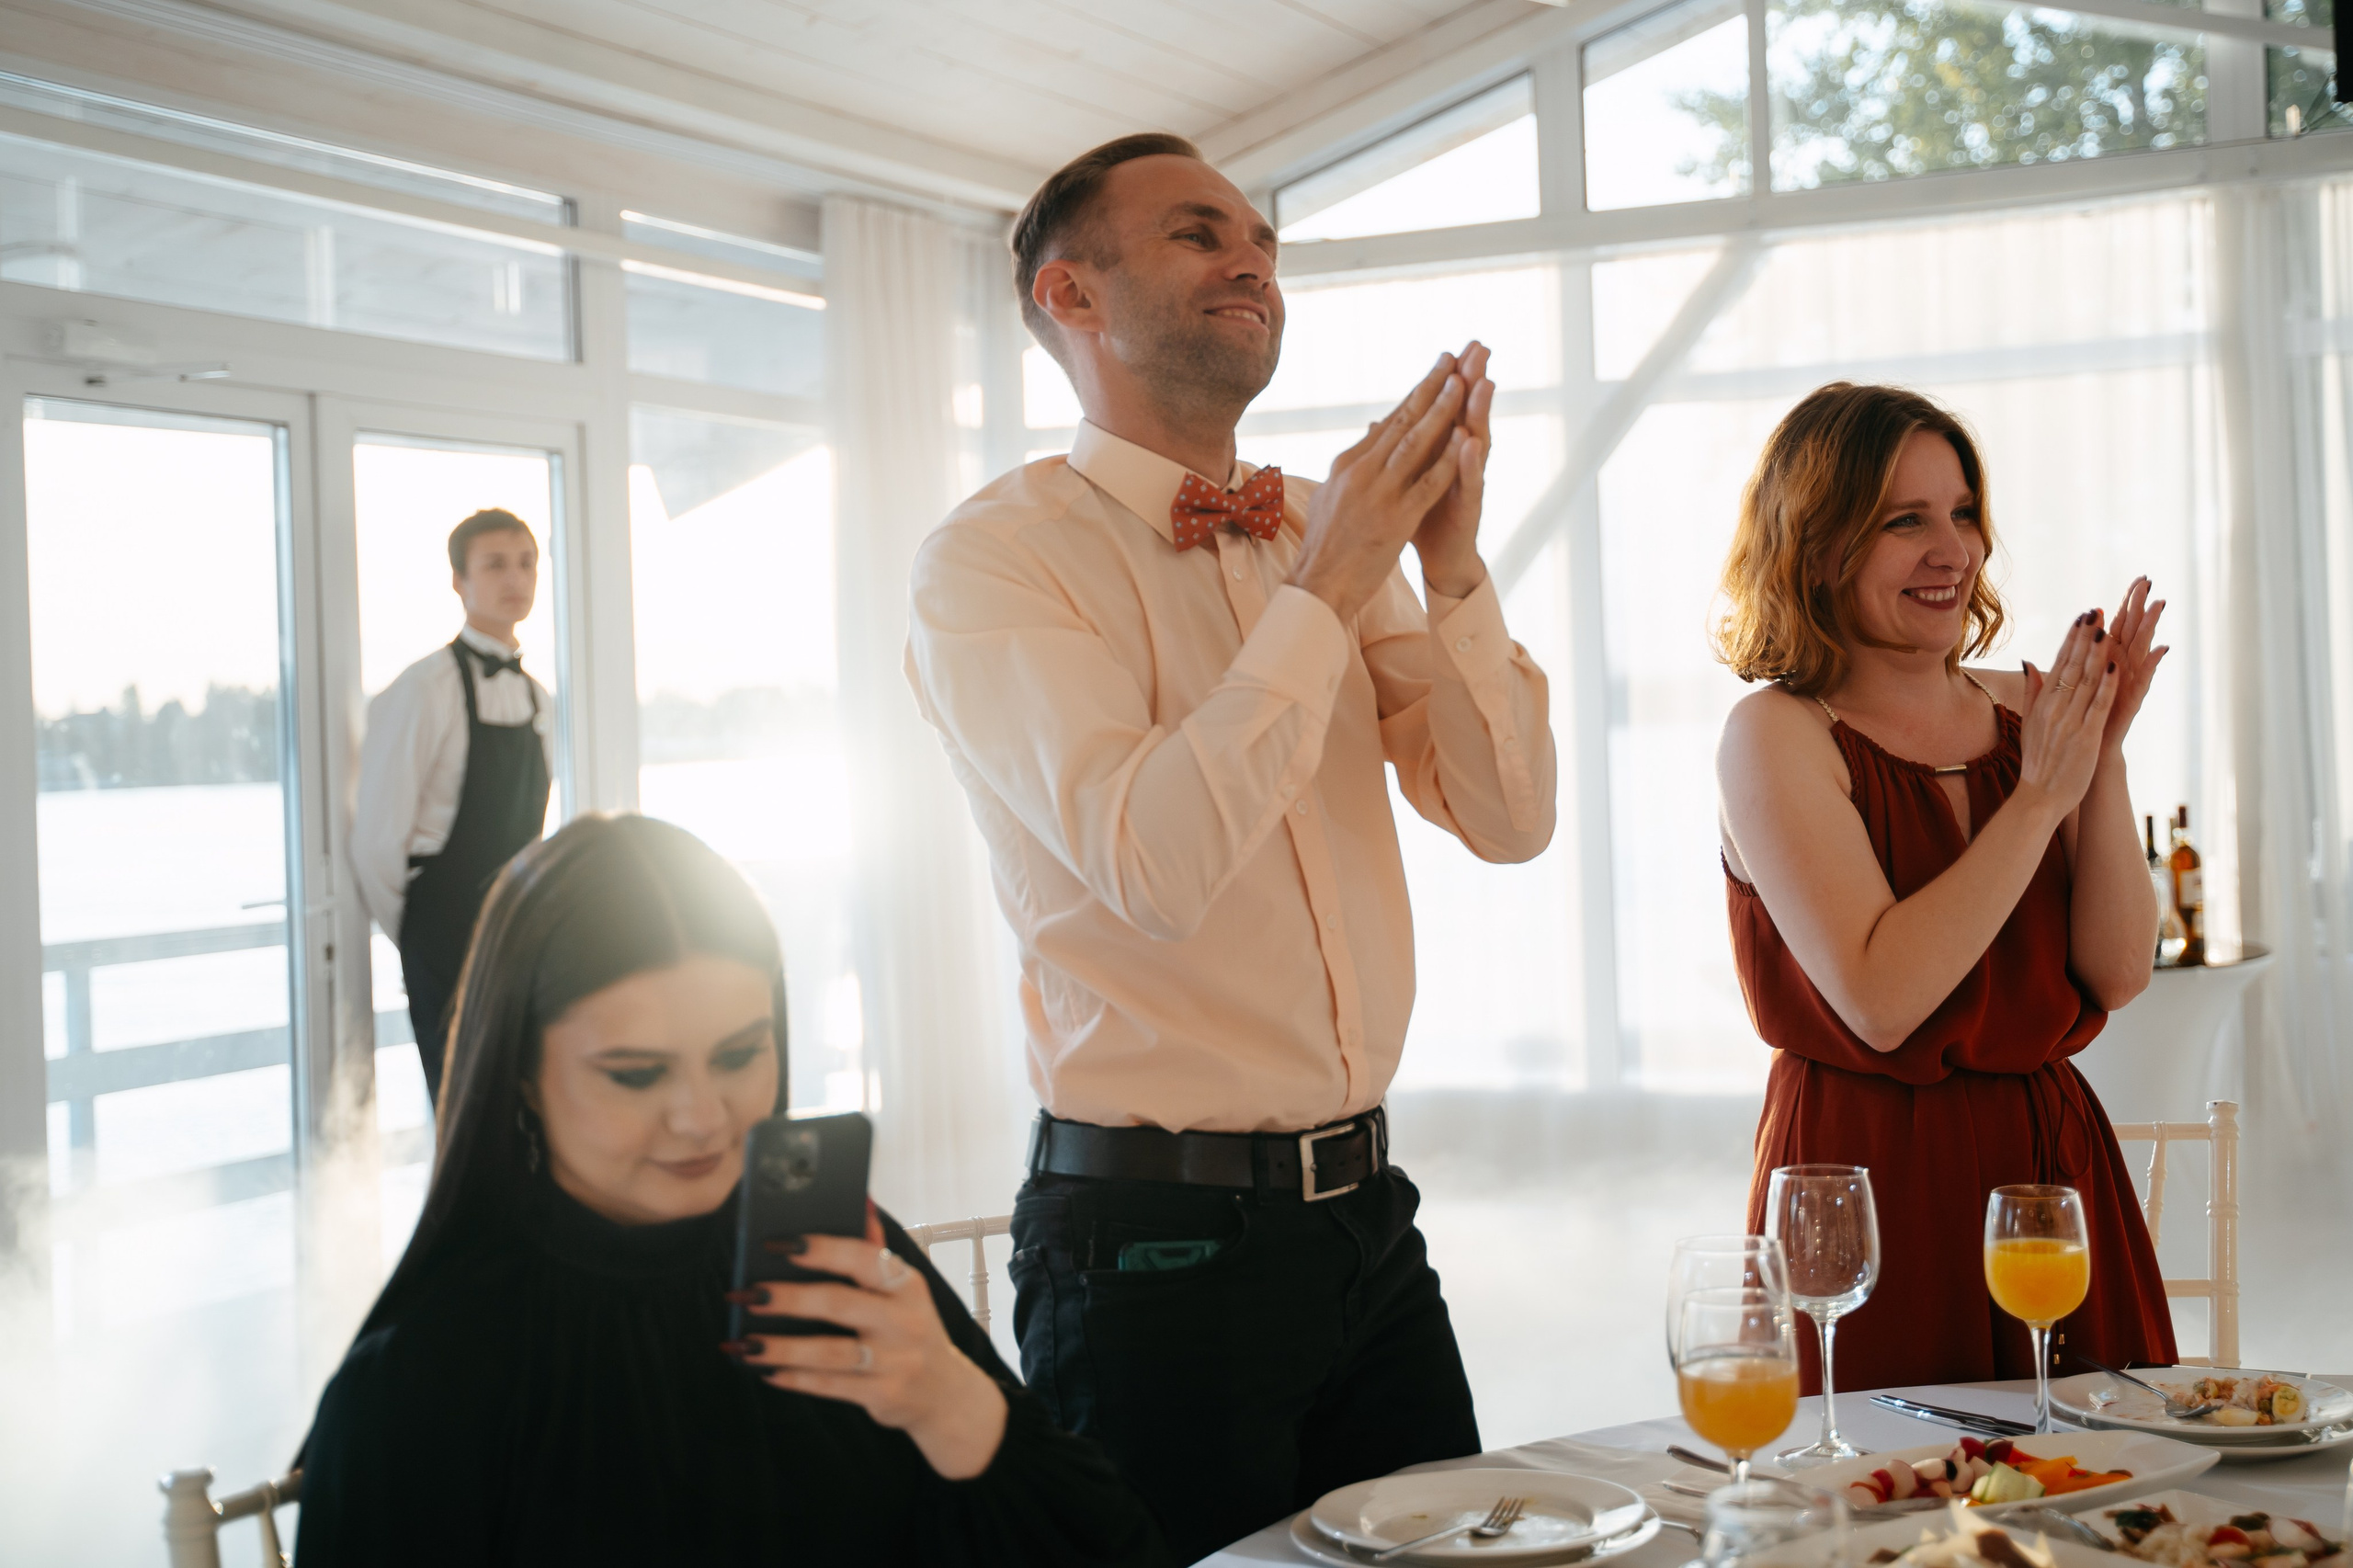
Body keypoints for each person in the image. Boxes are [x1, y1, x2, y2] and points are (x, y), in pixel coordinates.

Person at [903, 133, 1558, 1560]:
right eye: (1200, 233)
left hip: (1370, 1225)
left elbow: (1509, 821)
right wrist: (1325, 589)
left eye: (1259, 236)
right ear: (1073, 297)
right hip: (1149, 1249)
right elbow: (1153, 860)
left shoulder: (1336, 535)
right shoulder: (992, 563)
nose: (1251, 259)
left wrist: (1445, 564)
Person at [294, 813, 1168, 1567]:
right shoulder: (417, 1389)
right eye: (636, 1075)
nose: (703, 1118)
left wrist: (954, 1404)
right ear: (517, 1073)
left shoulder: (847, 1271)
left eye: (740, 1054)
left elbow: (1114, 1550)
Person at [1713, 381, 2177, 1392]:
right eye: (1904, 520)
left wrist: (2099, 764)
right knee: (1882, 1516)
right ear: (1818, 544)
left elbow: (2115, 967)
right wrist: (2039, 795)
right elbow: (1882, 1000)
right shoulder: (1775, 735)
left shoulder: (2032, 714)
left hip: (2047, 1167)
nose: (1953, 550)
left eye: (1962, 511)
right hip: (1860, 1176)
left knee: (2097, 1511)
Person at [352, 508, 553, 1109]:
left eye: (526, 563)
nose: (514, 578)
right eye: (494, 565)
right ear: (458, 581)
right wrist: (423, 933)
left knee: (528, 1104)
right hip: (444, 929)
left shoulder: (539, 697)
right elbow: (378, 842)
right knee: (462, 1108)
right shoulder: (423, 688)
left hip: (518, 927)